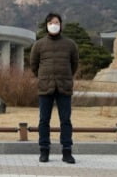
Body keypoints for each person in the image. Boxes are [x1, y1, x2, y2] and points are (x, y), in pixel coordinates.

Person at [30, 13, 79, 164]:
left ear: (61, 24)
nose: (54, 25)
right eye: (51, 22)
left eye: (56, 22)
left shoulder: (70, 44)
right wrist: (43, 76)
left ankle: (67, 152)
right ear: (46, 25)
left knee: (65, 120)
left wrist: (67, 76)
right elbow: (34, 65)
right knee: (44, 120)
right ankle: (44, 151)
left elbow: (74, 64)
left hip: (64, 86)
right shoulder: (39, 44)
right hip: (45, 86)